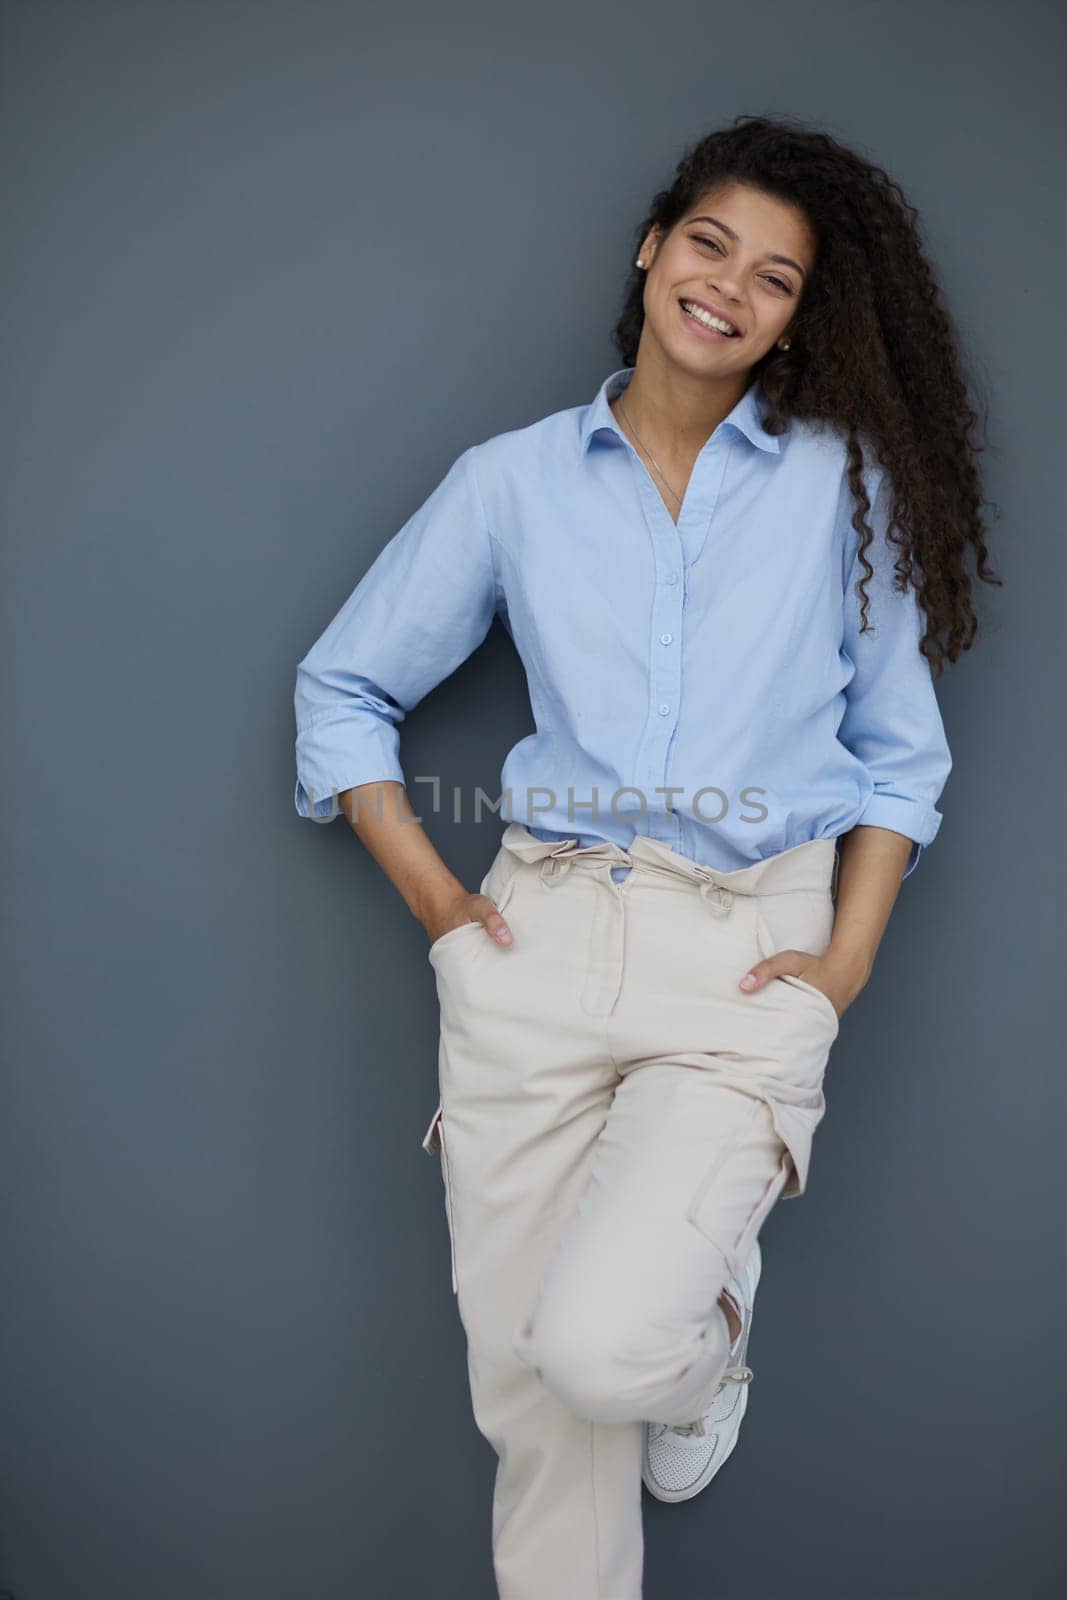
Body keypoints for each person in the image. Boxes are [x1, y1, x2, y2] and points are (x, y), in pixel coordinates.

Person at [292, 114, 998, 1600]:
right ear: (651, 247)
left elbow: (903, 759)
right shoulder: (515, 483)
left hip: (744, 949)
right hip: (532, 942)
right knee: (536, 1417)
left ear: (804, 318)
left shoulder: (842, 489)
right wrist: (440, 903)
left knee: (605, 1350)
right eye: (709, 244)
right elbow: (340, 688)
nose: (730, 288)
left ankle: (703, 1347)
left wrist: (843, 968)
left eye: (778, 278)